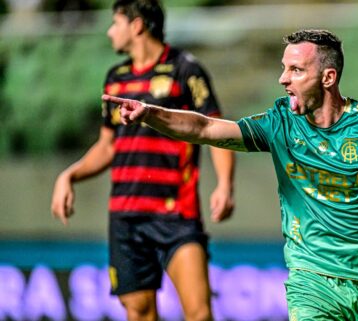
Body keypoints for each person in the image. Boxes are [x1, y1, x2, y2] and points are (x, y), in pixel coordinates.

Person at [104, 29, 358, 321]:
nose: (282, 79)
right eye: (283, 68)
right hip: (310, 279)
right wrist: (151, 113)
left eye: (295, 70)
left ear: (328, 77)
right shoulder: (279, 124)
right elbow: (205, 129)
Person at [51, 1, 235, 321]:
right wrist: (69, 175)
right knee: (138, 311)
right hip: (125, 216)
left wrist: (225, 185)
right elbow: (107, 146)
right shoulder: (115, 78)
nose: (110, 32)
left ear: (136, 26)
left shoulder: (185, 69)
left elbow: (213, 130)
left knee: (199, 312)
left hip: (175, 213)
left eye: (115, 23)